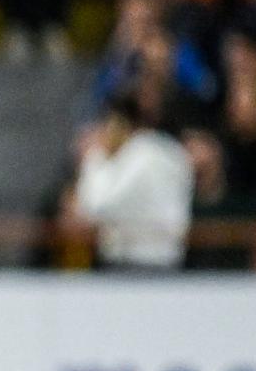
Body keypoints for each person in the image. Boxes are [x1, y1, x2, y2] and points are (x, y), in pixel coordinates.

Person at [72, 95, 194, 270]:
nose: (104, 132)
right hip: (166, 260)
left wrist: (93, 157)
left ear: (121, 123)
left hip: (137, 264)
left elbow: (96, 205)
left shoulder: (141, 154)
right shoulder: (172, 150)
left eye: (107, 125)